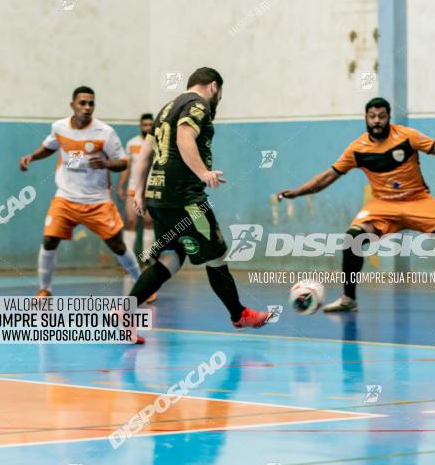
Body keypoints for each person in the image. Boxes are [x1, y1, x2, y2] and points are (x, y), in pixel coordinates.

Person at [279, 97, 435, 312]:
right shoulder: (357, 149)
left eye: (382, 116)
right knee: (352, 239)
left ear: (388, 118)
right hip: (382, 206)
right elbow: (328, 177)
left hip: (418, 200)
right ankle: (349, 299)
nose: (377, 121)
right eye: (372, 116)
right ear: (366, 118)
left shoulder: (407, 137)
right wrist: (298, 192)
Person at [126, 67, 273, 329]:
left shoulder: (166, 108)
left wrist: (138, 191)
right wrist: (203, 172)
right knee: (216, 256)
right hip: (186, 199)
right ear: (214, 87)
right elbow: (185, 136)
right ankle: (239, 314)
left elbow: (146, 151)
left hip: (158, 198)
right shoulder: (198, 103)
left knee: (170, 259)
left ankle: (124, 311)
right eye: (220, 93)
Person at [19, 86, 144, 297]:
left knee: (118, 245)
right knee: (50, 240)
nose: (87, 107)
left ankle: (142, 285)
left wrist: (105, 164)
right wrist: (31, 156)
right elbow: (50, 147)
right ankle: (44, 289)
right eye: (82, 103)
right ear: (72, 105)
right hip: (65, 198)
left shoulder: (105, 132)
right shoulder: (59, 127)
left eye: (91, 103)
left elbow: (123, 163)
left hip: (97, 200)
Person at [117, 113, 156, 260]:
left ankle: (146, 259)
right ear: (141, 126)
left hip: (151, 191)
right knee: (130, 222)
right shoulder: (132, 143)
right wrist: (121, 186)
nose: (147, 127)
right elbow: (126, 168)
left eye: (150, 125)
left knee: (148, 222)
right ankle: (128, 261)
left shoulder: (158, 144)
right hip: (132, 191)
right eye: (145, 125)